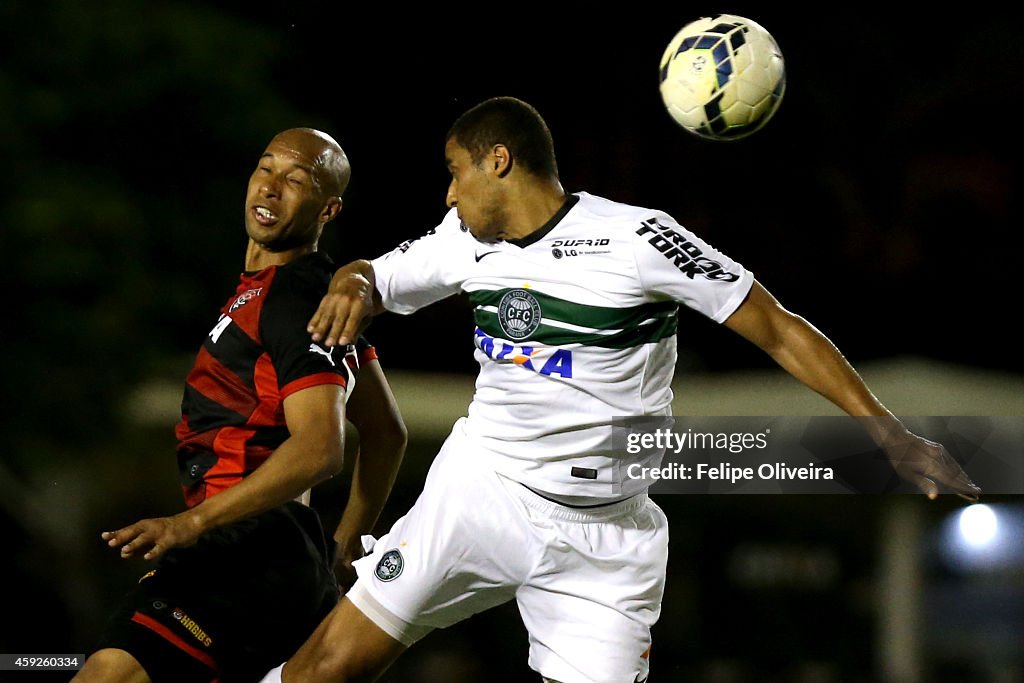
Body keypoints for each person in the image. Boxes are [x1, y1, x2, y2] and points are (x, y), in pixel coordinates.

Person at [261, 97, 981, 683]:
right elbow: (376, 275)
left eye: (455, 171)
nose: (449, 192)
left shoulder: (639, 239)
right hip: (480, 494)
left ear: (498, 161)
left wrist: (885, 432)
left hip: (603, 541)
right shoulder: (463, 238)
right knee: (326, 666)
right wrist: (353, 281)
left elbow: (778, 328)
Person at [73, 128, 407, 683]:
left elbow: (322, 448)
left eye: (296, 180)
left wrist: (189, 524)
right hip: (272, 559)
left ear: (329, 209)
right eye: (266, 168)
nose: (272, 188)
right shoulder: (290, 295)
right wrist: (341, 547)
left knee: (106, 672)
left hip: (241, 554)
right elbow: (386, 431)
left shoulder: (295, 297)